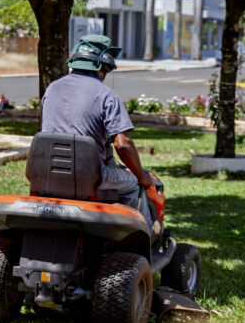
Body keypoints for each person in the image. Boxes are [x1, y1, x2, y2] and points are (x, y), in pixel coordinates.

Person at [40, 34, 164, 238]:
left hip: (46, 174)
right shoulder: (106, 96)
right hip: (91, 178)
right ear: (104, 65)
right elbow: (122, 145)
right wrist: (142, 176)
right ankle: (141, 237)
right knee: (134, 182)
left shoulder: (52, 88)